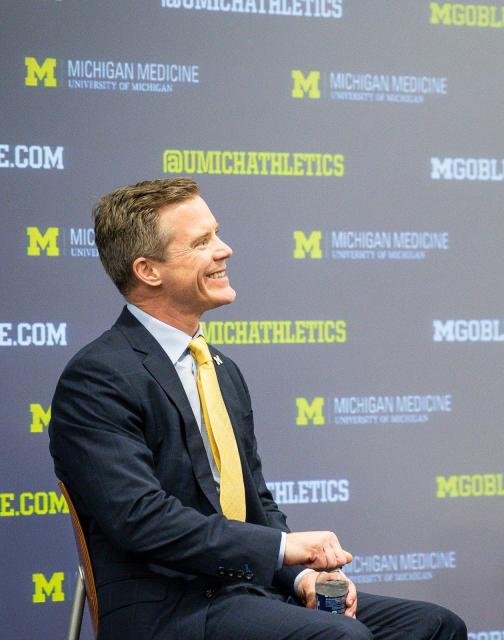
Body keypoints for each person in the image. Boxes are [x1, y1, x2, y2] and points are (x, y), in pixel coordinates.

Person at [49, 177, 467, 640]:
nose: (224, 250)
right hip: (171, 610)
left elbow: (256, 503)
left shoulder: (222, 369)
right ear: (149, 270)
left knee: (434, 627)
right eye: (202, 242)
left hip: (251, 594)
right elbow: (142, 519)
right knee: (341, 638)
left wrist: (301, 577)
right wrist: (285, 548)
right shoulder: (98, 377)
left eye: (217, 234)